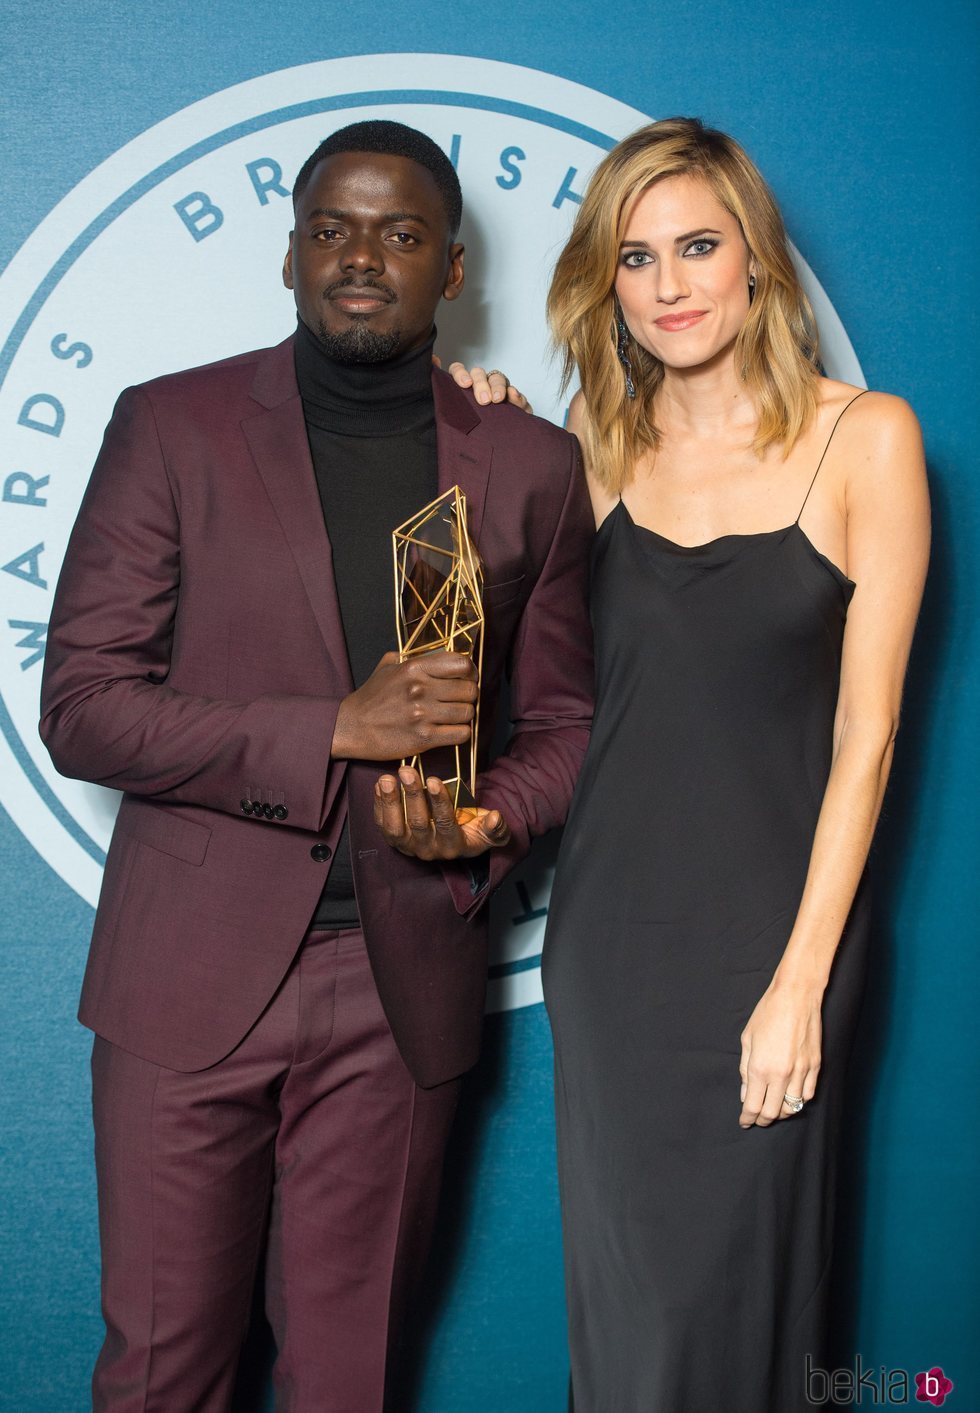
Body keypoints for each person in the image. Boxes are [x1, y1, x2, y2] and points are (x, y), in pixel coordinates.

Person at [39, 119, 594, 1412]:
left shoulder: (527, 467)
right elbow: (83, 707)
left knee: (349, 1381)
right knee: (164, 1370)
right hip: (186, 977)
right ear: (290, 256)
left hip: (398, 992)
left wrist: (484, 824)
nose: (361, 256)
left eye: (401, 234)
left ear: (452, 271)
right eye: (331, 229)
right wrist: (333, 727)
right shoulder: (170, 428)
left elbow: (569, 727)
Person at [538, 117, 929, 1412]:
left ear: (756, 256)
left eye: (698, 245)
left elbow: (867, 738)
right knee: (635, 1327)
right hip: (613, 953)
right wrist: (479, 413)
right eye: (637, 258)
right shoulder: (591, 444)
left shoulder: (866, 438)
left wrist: (801, 981)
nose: (670, 284)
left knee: (743, 1314)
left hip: (777, 941)